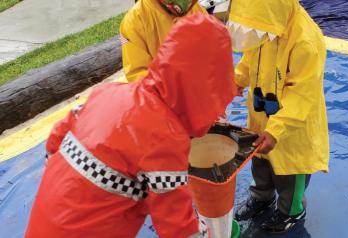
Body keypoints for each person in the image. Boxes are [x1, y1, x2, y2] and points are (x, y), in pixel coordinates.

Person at [25, 14, 236, 238]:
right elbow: (179, 229)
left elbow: (56, 138)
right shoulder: (164, 137)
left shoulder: (109, 92)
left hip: (44, 220)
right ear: (205, 90)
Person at [227, 0, 330, 233]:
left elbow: (302, 95)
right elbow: (250, 57)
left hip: (293, 126)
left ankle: (291, 210)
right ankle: (261, 196)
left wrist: (276, 130)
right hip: (262, 115)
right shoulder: (265, 26)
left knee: (289, 174)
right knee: (260, 163)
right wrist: (236, 80)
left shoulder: (305, 41)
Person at [120, 0, 207, 82]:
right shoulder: (133, 21)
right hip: (163, 95)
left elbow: (213, 55)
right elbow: (136, 76)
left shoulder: (196, 9)